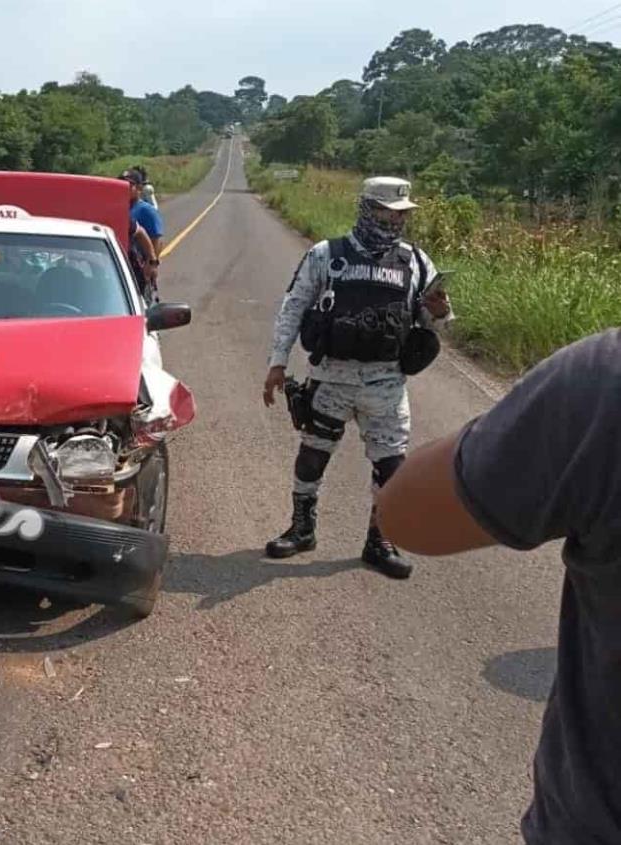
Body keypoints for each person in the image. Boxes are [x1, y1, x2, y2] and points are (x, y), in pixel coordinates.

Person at [375, 328, 621, 844]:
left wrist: (539, 410)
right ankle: (303, 522)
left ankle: (361, 544)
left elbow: (405, 511)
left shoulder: (604, 382)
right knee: (315, 457)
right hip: (343, 382)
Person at [261, 176, 451, 579]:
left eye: (401, 214)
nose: (395, 221)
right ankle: (301, 529)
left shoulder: (416, 261)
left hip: (386, 385)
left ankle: (379, 540)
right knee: (312, 455)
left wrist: (438, 310)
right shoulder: (326, 255)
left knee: (392, 468)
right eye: (387, 212)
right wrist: (277, 363)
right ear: (367, 209)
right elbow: (293, 307)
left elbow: (432, 322)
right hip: (331, 379)